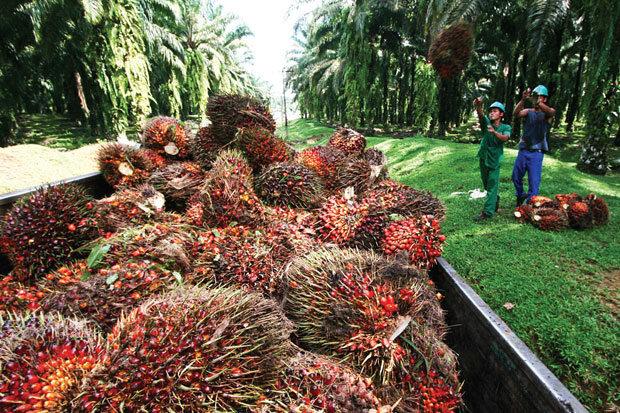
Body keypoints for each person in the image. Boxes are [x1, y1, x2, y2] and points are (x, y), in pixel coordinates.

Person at [511, 85, 556, 206]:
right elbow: (516, 113)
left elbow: (551, 112)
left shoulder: (548, 113)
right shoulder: (529, 111)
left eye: (539, 97)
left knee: (533, 181)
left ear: (545, 99)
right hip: (523, 150)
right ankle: (520, 194)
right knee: (515, 176)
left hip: (537, 153)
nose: (536, 99)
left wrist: (538, 103)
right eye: (535, 97)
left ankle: (529, 206)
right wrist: (523, 100)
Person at [473, 97, 511, 221]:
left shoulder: (506, 127)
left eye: (495, 111)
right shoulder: (486, 123)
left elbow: (505, 138)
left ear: (501, 114)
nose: (492, 113)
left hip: (495, 159)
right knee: (486, 183)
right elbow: (480, 115)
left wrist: (494, 132)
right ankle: (495, 198)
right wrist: (478, 105)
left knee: (492, 184)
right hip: (484, 157)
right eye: (491, 111)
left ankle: (488, 212)